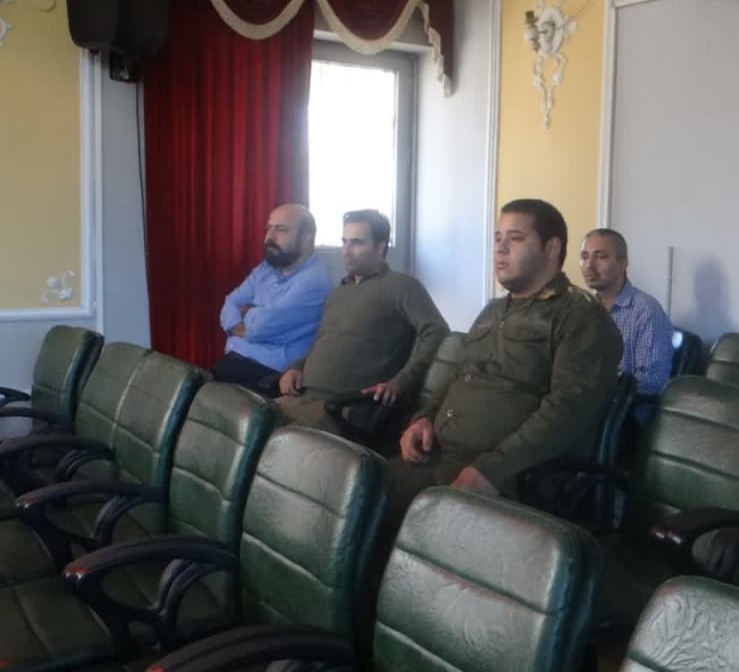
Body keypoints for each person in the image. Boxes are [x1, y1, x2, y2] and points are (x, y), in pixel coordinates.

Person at [391, 198, 622, 521]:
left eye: (515, 238)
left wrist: (493, 469)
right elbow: (460, 377)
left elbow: (568, 410)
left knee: (377, 514)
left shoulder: (581, 317)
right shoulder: (493, 311)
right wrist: (424, 418)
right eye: (498, 238)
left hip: (508, 478)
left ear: (551, 248)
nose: (500, 249)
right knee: (357, 489)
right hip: (437, 454)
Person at [274, 209, 447, 437]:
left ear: (380, 247)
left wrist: (400, 382)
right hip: (301, 397)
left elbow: (436, 330)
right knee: (240, 417)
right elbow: (321, 343)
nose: (346, 251)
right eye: (344, 242)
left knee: (264, 435)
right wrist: (295, 368)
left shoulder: (401, 286)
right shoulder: (339, 292)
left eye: (356, 243)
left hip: (342, 408)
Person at [213, 204, 331, 390]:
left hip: (269, 375)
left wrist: (246, 313)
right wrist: (250, 316)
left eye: (281, 229)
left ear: (307, 237)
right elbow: (231, 302)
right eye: (269, 228)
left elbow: (262, 326)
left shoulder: (315, 280)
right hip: (235, 363)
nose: (269, 237)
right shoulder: (266, 269)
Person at [579, 228, 674, 398]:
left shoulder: (646, 310)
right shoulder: (582, 307)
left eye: (601, 257)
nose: (589, 265)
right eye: (584, 257)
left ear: (623, 263)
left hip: (623, 407)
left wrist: (600, 384)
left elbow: (653, 381)